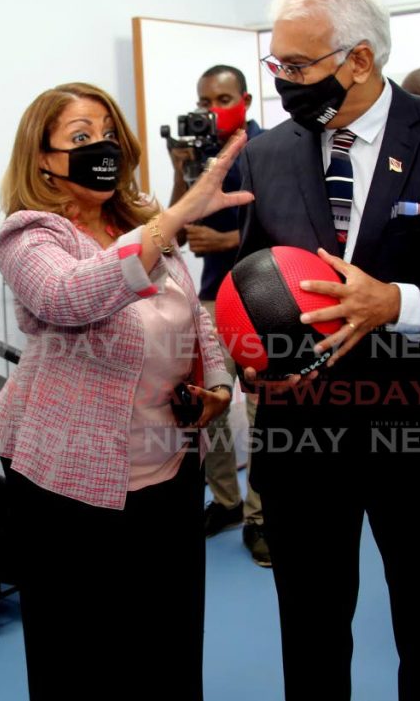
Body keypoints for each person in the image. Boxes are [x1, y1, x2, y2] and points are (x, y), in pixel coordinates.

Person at [236, 0, 420, 700]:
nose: (283, 81)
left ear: (359, 59)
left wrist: (399, 301)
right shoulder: (266, 154)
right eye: (278, 65)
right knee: (310, 630)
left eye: (297, 67)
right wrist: (244, 359)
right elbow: (242, 280)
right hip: (302, 439)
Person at [0, 82, 252, 700]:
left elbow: (193, 312)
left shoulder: (134, 222)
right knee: (80, 652)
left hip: (166, 461)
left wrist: (213, 382)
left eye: (106, 134)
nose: (99, 146)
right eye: (80, 138)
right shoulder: (29, 235)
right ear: (43, 159)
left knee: (168, 640)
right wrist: (175, 217)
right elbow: (70, 296)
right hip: (67, 474)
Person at [169, 65, 270, 563]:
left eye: (224, 98)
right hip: (211, 298)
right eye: (205, 100)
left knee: (261, 411)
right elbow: (174, 232)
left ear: (246, 100)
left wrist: (229, 240)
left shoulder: (271, 148)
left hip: (263, 298)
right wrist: (178, 169)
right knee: (207, 406)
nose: (214, 108)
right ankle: (227, 501)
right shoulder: (201, 155)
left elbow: (294, 230)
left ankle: (260, 517)